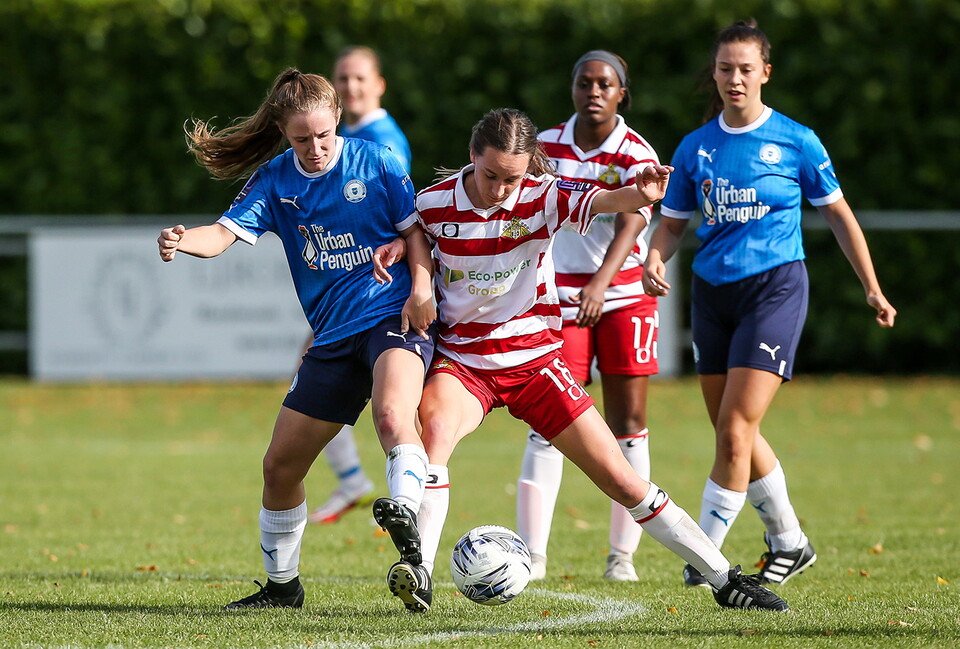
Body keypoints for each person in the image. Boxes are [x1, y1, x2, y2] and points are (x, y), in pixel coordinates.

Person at [374, 107, 789, 614]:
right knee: (433, 437)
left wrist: (642, 192)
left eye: (513, 177)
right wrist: (408, 258)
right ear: (471, 158)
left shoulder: (542, 196)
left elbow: (605, 199)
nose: (502, 189)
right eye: (491, 176)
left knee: (622, 479)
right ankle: (420, 571)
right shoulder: (435, 204)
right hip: (465, 364)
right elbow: (415, 232)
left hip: (535, 364)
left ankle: (724, 579)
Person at [157, 68, 436, 610]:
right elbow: (221, 236)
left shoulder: (377, 162)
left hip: (390, 317)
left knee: (392, 416)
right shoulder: (275, 180)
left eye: (323, 135)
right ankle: (283, 586)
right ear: (284, 132)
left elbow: (415, 233)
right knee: (279, 467)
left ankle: (405, 525)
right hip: (331, 337)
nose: (313, 148)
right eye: (300, 138)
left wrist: (421, 286)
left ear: (338, 119)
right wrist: (181, 239)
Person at [642, 20, 897, 588]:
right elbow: (673, 224)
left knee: (735, 428)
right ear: (714, 72)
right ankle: (789, 541)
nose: (735, 79)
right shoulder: (695, 148)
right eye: (726, 68)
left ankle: (703, 557)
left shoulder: (796, 141)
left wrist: (872, 287)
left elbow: (838, 213)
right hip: (713, 294)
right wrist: (655, 258)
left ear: (765, 74)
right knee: (734, 431)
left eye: (746, 69)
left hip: (775, 288)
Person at [516, 50, 662, 583]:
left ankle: (621, 556)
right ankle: (531, 557)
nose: (594, 91)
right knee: (547, 424)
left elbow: (633, 220)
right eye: (585, 82)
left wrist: (601, 283)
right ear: (573, 88)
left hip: (620, 296)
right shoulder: (547, 146)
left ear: (622, 93)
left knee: (628, 425)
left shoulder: (634, 150)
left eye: (605, 84)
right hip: (560, 299)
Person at [307, 45, 415, 526]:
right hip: (347, 296)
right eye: (343, 79)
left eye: (359, 79)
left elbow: (403, 223)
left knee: (400, 410)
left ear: (379, 85)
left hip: (379, 294)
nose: (351, 87)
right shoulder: (338, 136)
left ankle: (404, 493)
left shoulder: (382, 140)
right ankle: (359, 479)